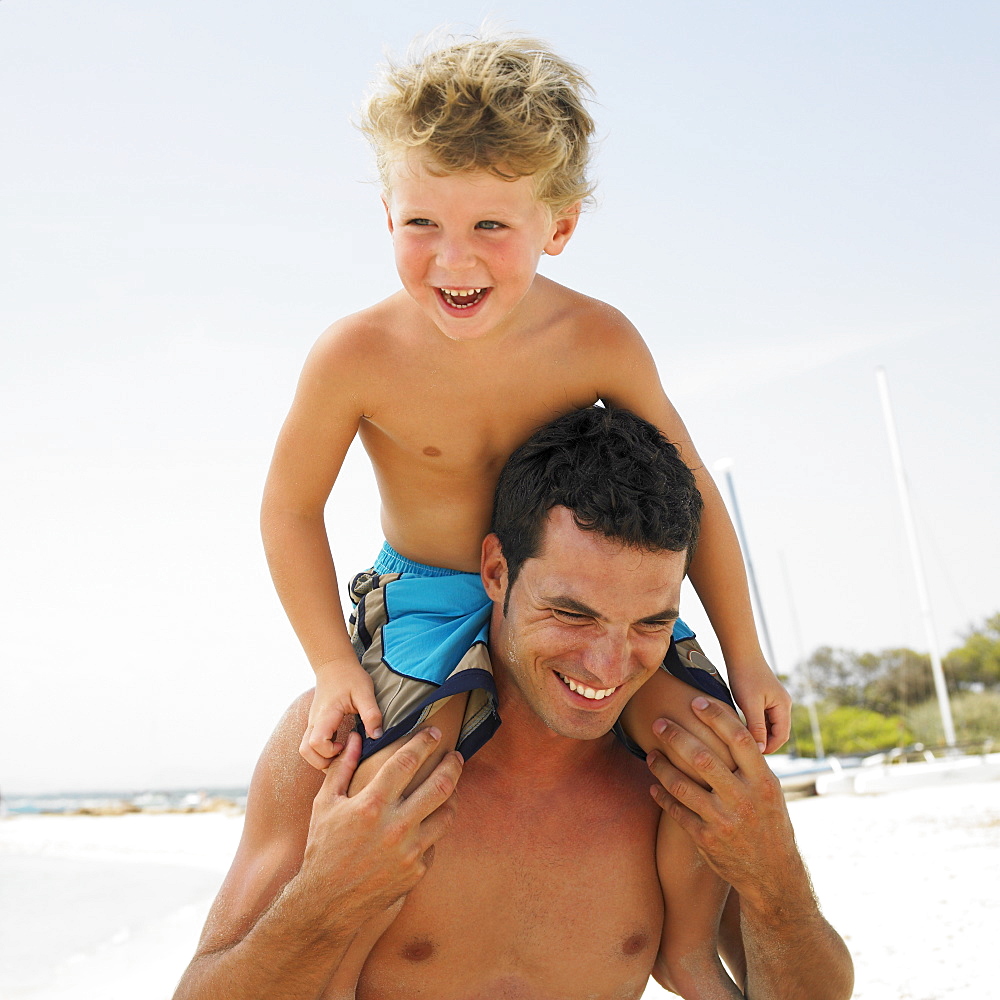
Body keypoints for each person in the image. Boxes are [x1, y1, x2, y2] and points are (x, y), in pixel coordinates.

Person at [259, 30, 790, 993]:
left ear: (560, 225)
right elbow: (289, 511)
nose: (451, 260)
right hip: (422, 600)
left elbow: (692, 494)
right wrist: (333, 666)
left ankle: (679, 946)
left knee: (705, 737)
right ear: (384, 210)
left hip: (574, 595)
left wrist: (745, 653)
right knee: (390, 774)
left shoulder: (597, 337)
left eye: (490, 229)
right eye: (420, 223)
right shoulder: (356, 354)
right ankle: (339, 970)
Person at [176, 407, 852, 1000]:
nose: (609, 667)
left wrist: (777, 875)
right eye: (572, 614)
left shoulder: (681, 773)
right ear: (497, 572)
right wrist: (323, 901)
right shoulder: (349, 752)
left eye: (650, 623)